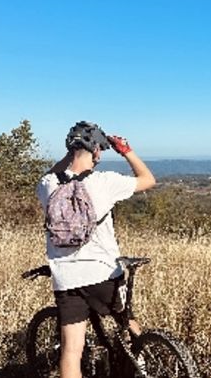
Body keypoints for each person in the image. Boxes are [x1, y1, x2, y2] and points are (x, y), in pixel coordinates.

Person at [36, 121, 156, 378]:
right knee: (127, 323)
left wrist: (71, 154)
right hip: (104, 274)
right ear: (97, 151)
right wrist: (126, 150)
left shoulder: (48, 185)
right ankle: (143, 369)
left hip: (66, 279)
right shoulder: (105, 182)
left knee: (71, 353)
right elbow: (148, 180)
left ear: (70, 148)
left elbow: (51, 174)